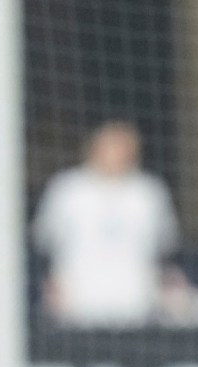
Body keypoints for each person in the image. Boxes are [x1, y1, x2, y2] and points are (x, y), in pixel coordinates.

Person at [31, 120, 181, 327]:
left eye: (123, 146)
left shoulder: (149, 193)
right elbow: (44, 243)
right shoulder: (67, 190)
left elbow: (164, 248)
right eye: (110, 145)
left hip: (135, 310)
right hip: (77, 310)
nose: (115, 153)